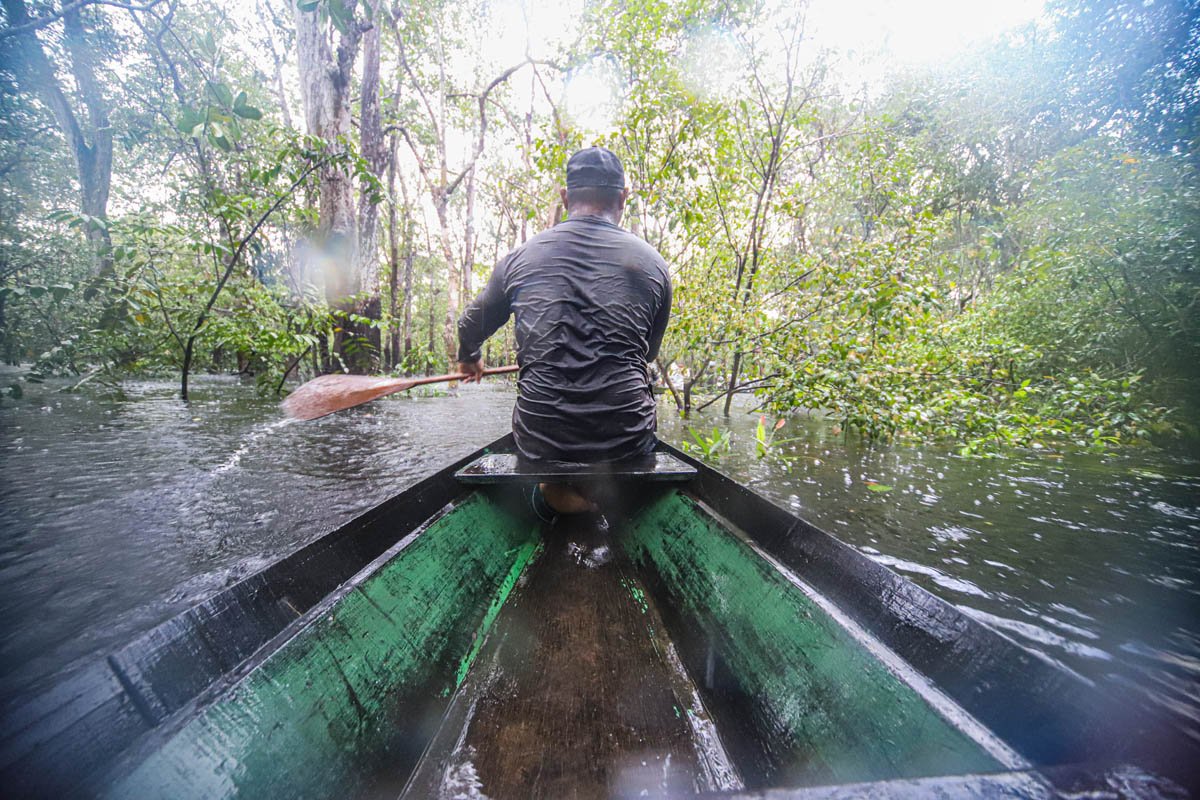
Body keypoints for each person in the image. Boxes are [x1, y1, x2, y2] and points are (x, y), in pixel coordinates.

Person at [456, 147, 672, 516]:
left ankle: (557, 492)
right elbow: (647, 356)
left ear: (565, 197)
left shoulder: (519, 258)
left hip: (544, 440)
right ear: (623, 198)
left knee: (549, 473)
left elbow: (470, 324)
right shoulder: (653, 264)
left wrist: (470, 357)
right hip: (627, 437)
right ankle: (606, 500)